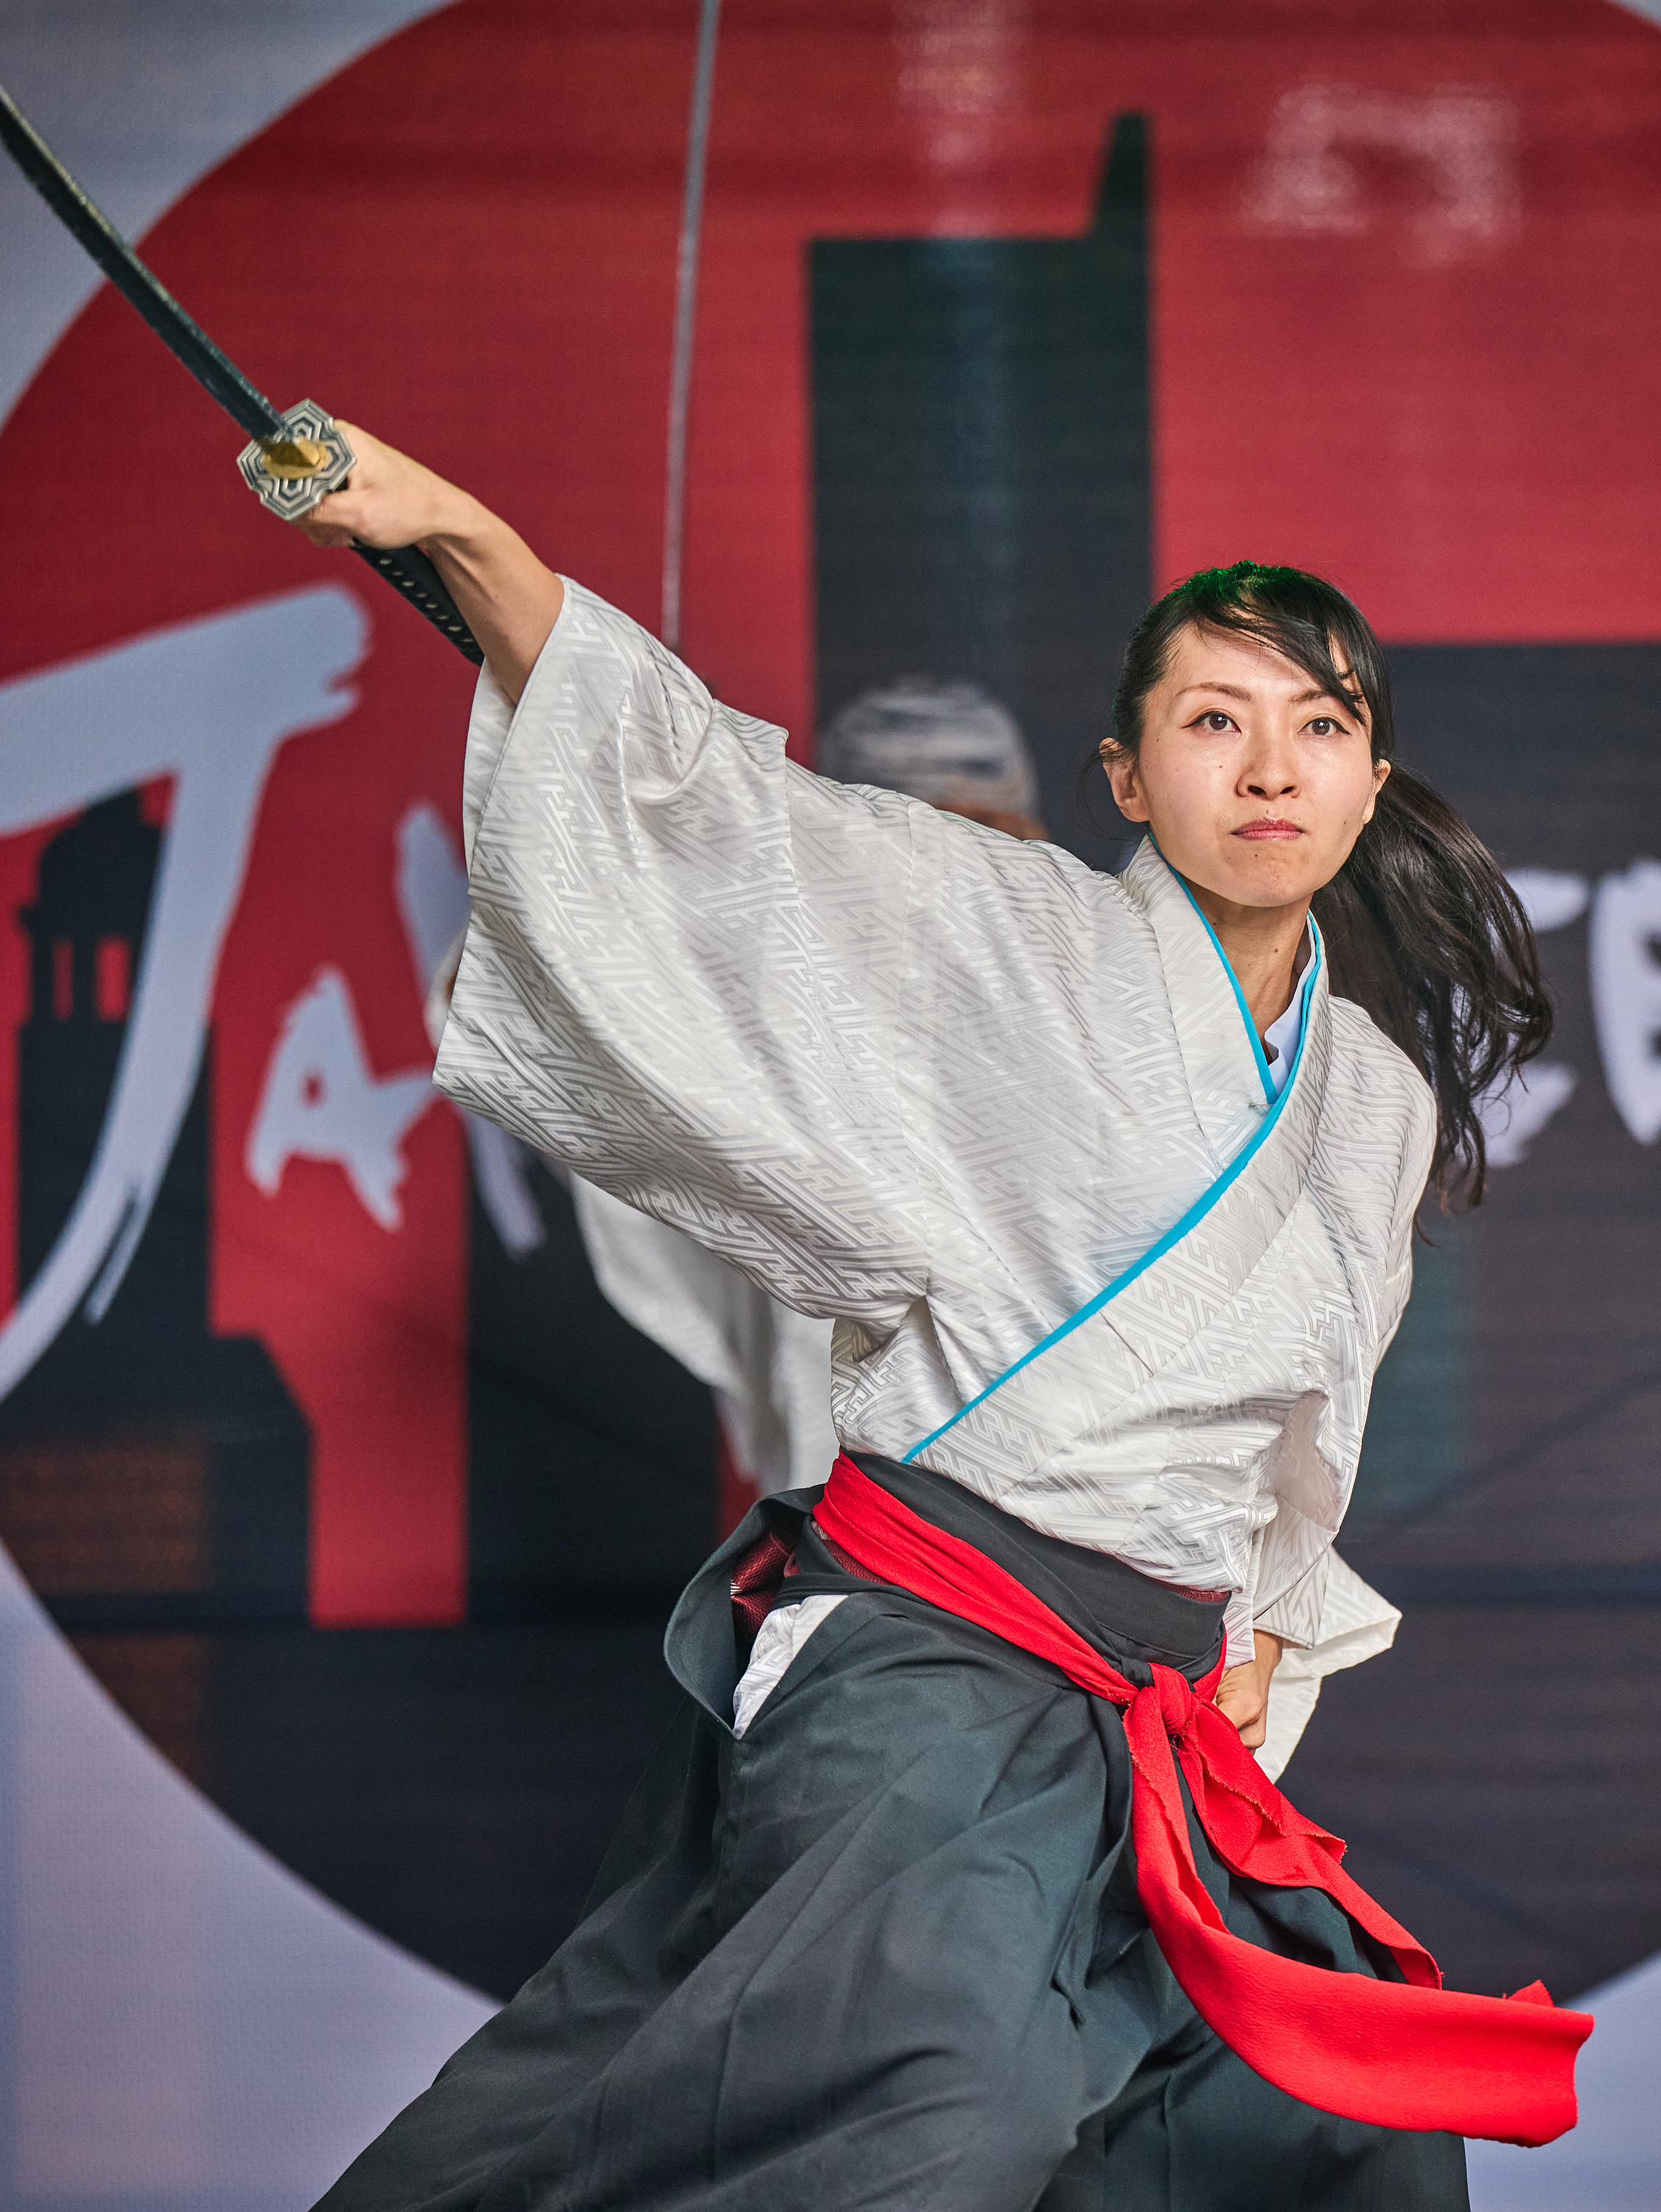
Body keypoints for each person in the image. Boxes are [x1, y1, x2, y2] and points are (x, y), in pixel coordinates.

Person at [287, 422, 1584, 2209]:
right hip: (933, 1665)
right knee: (936, 2131)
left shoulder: (1370, 1101)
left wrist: (1262, 1632)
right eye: (1216, 719)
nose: (1271, 765)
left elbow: (1310, 1433)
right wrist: (454, 530)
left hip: (1159, 1717)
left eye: (1320, 724)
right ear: (1127, 778)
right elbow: (722, 820)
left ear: (1370, 781)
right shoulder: (1010, 933)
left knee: (1342, 2140)